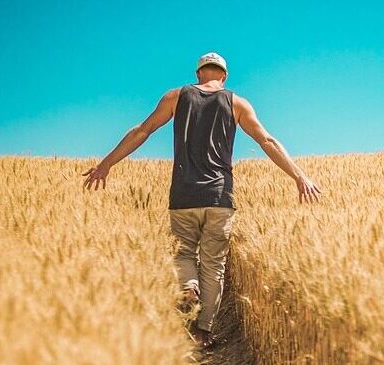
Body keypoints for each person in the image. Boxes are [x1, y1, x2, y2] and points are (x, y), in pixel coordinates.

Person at [82, 52, 321, 347]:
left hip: (183, 194)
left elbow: (142, 131)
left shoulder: (176, 96)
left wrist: (107, 163)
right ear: (224, 76)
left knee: (183, 254)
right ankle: (203, 331)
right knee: (214, 266)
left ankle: (188, 285)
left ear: (198, 75)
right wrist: (299, 176)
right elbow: (266, 141)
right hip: (220, 197)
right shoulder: (237, 103)